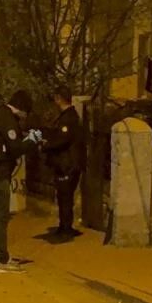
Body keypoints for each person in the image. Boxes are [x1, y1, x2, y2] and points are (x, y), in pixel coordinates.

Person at [0, 90, 38, 273]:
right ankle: (2, 260)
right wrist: (31, 140)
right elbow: (15, 148)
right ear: (22, 108)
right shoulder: (7, 118)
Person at [41, 87, 85, 241]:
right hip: (67, 163)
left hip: (67, 164)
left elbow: (62, 139)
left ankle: (66, 229)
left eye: (56, 98)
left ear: (59, 98)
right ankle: (64, 226)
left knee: (65, 196)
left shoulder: (68, 118)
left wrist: (45, 145)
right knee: (64, 196)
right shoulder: (69, 116)